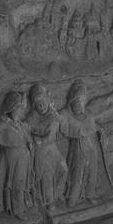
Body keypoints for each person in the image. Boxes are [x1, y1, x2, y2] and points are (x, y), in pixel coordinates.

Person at [57, 79, 109, 205]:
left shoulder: (88, 115)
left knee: (92, 172)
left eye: (82, 102)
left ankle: (89, 194)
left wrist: (100, 131)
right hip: (78, 150)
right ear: (71, 102)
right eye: (76, 102)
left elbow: (93, 126)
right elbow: (59, 118)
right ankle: (72, 198)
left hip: (91, 148)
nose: (79, 105)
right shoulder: (67, 115)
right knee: (77, 174)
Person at [26, 84, 67, 213]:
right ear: (34, 106)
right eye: (39, 105)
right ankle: (49, 202)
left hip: (52, 147)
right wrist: (34, 138)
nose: (42, 107)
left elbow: (60, 125)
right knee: (46, 175)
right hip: (41, 151)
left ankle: (57, 193)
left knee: (63, 169)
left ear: (48, 101)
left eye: (44, 103)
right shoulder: (32, 117)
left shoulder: (52, 114)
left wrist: (55, 112)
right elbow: (26, 131)